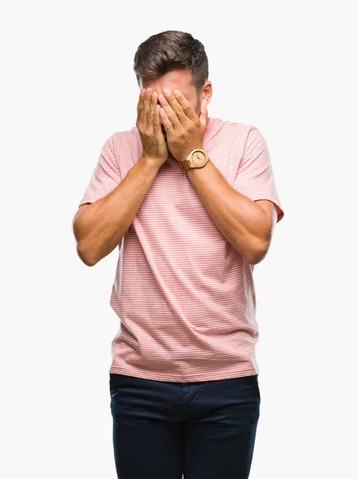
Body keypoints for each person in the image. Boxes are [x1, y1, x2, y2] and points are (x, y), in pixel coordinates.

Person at [72, 30, 284, 479]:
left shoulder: (245, 142)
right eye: (152, 102)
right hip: (139, 380)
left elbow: (255, 243)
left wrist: (191, 155)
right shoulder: (121, 148)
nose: (163, 115)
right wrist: (149, 160)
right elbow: (89, 246)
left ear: (205, 93)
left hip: (226, 379)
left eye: (176, 102)